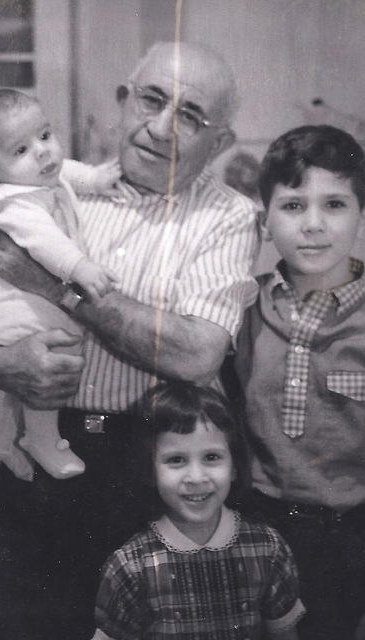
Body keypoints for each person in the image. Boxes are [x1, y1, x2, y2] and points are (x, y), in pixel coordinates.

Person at [0, 41, 259, 639]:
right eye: (151, 98)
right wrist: (2, 361)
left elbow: (195, 351)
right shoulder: (50, 188)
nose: (161, 127)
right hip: (41, 454)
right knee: (28, 624)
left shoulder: (227, 217)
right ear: (124, 100)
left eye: (191, 116)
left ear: (219, 143)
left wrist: (59, 291)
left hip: (146, 465)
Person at [230, 125, 365, 640]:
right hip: (254, 524)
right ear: (265, 220)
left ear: (359, 214)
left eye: (334, 204)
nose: (313, 225)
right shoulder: (243, 306)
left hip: (347, 534)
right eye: (292, 206)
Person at [0, 89, 120, 481]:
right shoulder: (12, 204)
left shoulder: (38, 177)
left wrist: (97, 178)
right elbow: (46, 242)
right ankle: (42, 440)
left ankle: (6, 436)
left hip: (14, 297)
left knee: (26, 380)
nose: (43, 152)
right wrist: (80, 267)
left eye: (45, 135)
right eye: (21, 150)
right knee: (52, 357)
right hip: (8, 306)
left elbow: (71, 172)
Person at [92, 381, 305, 640]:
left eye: (212, 457)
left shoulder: (268, 549)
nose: (196, 477)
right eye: (176, 460)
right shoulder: (130, 566)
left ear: (235, 466)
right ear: (150, 470)